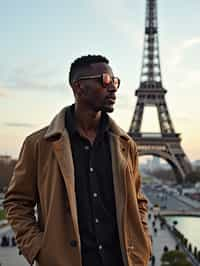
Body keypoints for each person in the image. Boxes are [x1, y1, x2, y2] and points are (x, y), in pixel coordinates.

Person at [4, 55, 151, 266]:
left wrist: (142, 242)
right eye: (105, 80)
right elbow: (17, 202)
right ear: (79, 87)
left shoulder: (127, 146)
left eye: (115, 81)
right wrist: (38, 248)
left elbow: (138, 202)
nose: (113, 88)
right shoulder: (38, 144)